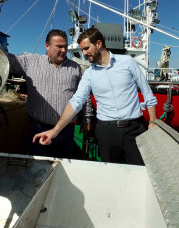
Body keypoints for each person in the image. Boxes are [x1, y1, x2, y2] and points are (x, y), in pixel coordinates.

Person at [33, 27, 158, 165]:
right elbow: (76, 102)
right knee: (110, 174)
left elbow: (147, 93)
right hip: (106, 133)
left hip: (134, 129)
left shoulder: (128, 62)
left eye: (86, 48)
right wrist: (54, 131)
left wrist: (152, 122)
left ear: (98, 44)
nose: (84, 53)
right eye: (81, 50)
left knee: (140, 171)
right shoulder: (89, 74)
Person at [0, 28, 92, 158]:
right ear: (47, 46)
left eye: (65, 46)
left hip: (65, 130)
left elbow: (84, 96)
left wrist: (87, 119)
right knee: (40, 166)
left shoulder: (75, 67)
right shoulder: (30, 62)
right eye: (59, 46)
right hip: (39, 128)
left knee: (64, 166)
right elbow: (6, 60)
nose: (64, 50)